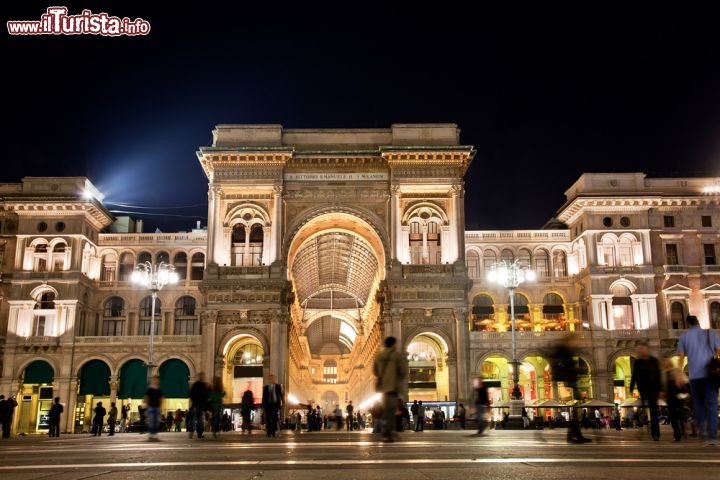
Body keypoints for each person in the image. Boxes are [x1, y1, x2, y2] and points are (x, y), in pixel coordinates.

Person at [677, 315, 720, 445]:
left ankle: (702, 429)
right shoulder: (710, 333)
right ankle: (712, 436)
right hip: (711, 375)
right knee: (712, 404)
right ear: (698, 322)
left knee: (698, 404)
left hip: (695, 375)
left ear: (687, 324)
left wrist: (679, 374)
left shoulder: (684, 337)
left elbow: (680, 357)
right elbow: (718, 351)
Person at [549, 334, 591, 443]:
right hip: (569, 382)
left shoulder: (565, 351)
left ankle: (574, 435)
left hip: (570, 381)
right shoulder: (563, 351)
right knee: (575, 410)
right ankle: (574, 436)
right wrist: (576, 369)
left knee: (575, 411)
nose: (575, 343)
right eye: (574, 341)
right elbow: (562, 367)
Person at [373, 336, 408, 442]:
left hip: (383, 388)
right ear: (393, 344)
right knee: (391, 411)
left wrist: (382, 375)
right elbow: (403, 370)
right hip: (393, 387)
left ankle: (387, 432)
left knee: (387, 410)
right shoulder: (396, 355)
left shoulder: (379, 356)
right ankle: (388, 433)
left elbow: (374, 371)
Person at [629, 340, 662, 440]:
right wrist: (631, 387)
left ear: (647, 349)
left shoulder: (654, 361)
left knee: (653, 412)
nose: (640, 351)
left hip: (653, 389)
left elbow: (658, 376)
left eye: (642, 348)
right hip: (642, 390)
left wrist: (661, 390)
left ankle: (655, 434)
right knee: (640, 410)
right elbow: (634, 375)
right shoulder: (638, 362)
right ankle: (641, 429)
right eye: (639, 349)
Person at [662, 358, 684, 441]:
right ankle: (677, 434)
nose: (666, 364)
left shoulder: (675, 371)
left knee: (677, 416)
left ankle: (680, 432)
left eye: (667, 362)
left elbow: (681, 382)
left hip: (677, 396)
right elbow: (663, 385)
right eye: (664, 363)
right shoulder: (664, 373)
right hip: (669, 397)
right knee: (672, 417)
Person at [262, 373, 283, 438]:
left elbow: (281, 395)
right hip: (268, 405)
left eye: (272, 378)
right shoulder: (266, 388)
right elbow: (264, 397)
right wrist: (263, 406)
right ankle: (268, 433)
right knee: (268, 419)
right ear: (268, 379)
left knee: (274, 419)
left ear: (274, 379)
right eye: (270, 378)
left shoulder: (278, 386)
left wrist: (283, 404)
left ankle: (273, 432)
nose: (271, 379)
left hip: (275, 405)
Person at [189, 372, 209, 439]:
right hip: (200, 405)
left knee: (192, 419)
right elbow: (205, 396)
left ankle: (191, 432)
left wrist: (193, 401)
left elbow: (191, 394)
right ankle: (199, 434)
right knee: (199, 419)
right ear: (202, 377)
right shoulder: (203, 385)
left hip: (195, 404)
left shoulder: (195, 385)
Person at [144, 376, 163, 441]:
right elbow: (146, 398)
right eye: (154, 380)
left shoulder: (158, 390)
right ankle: (151, 435)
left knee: (156, 422)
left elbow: (161, 399)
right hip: (151, 408)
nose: (155, 381)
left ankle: (154, 435)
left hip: (157, 408)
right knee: (152, 421)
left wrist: (160, 407)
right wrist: (147, 406)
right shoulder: (150, 389)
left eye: (156, 380)